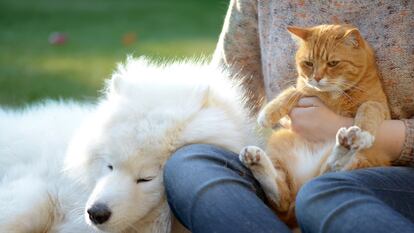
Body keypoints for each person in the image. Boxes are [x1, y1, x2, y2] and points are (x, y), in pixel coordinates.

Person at [164, 1, 414, 232]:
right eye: (308, 65)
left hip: (386, 172)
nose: (316, 76)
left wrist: (339, 128)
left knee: (322, 193)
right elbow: (224, 88)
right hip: (293, 161)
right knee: (189, 163)